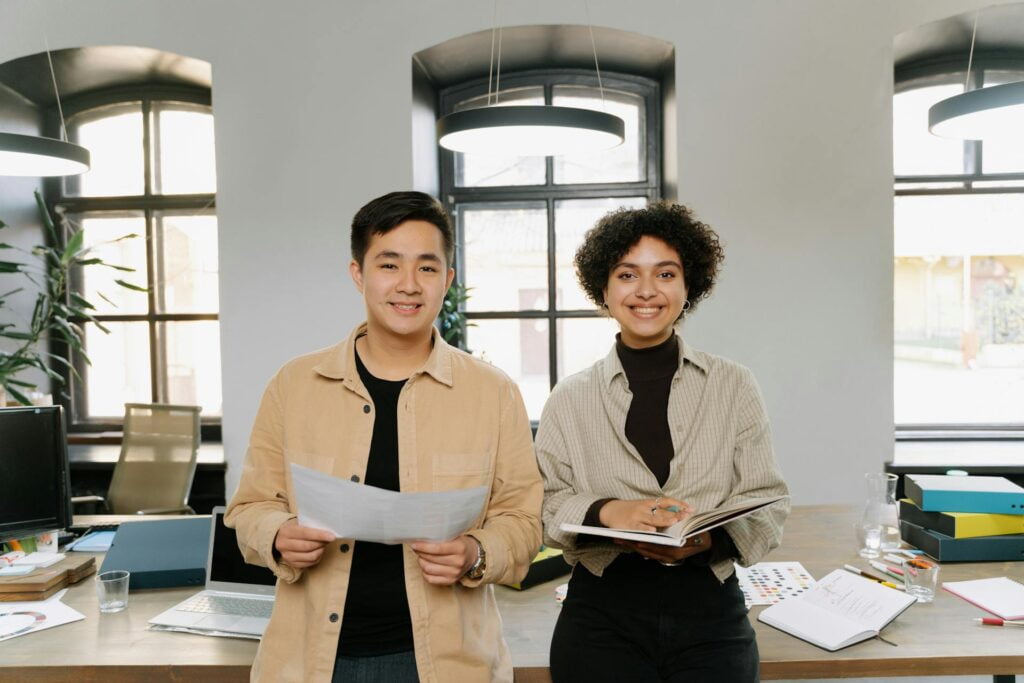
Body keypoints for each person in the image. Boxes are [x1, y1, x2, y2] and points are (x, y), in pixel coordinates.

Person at [225, 191, 542, 683]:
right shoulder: (293, 384)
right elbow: (248, 509)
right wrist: (278, 535)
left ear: (448, 281)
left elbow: (524, 520)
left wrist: (476, 552)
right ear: (358, 274)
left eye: (427, 268)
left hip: (448, 664)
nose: (409, 286)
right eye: (389, 265)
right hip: (312, 661)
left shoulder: (493, 392)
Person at [536, 201, 790, 682]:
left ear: (688, 285)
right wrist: (614, 512)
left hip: (711, 614)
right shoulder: (570, 397)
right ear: (604, 289)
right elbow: (545, 505)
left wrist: (706, 540)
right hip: (600, 617)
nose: (647, 291)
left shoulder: (734, 384)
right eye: (628, 275)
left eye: (666, 274)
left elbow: (768, 501)